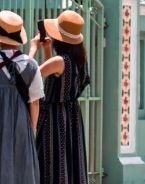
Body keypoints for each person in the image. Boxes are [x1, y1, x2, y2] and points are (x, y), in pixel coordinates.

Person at [0, 10, 44, 184]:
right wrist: (31, 130)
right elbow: (35, 103)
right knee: (21, 168)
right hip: (21, 123)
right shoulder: (31, 65)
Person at [30, 10, 90, 184]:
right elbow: (57, 77)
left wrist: (34, 47)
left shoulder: (59, 61)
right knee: (69, 162)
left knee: (51, 162)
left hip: (53, 119)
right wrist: (48, 50)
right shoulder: (80, 61)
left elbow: (28, 75)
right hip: (71, 117)